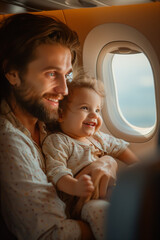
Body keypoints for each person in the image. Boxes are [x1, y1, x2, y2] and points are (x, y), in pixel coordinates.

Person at [0, 13, 118, 240]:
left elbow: (101, 145)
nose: (64, 89)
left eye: (68, 75)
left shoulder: (49, 118)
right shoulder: (8, 142)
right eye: (52, 74)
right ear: (13, 73)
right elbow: (50, 235)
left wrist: (106, 162)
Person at [42, 74, 139, 239]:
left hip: (110, 191)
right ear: (61, 114)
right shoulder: (58, 141)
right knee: (101, 212)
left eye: (98, 110)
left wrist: (136, 167)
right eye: (85, 108)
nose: (94, 115)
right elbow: (56, 172)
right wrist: (75, 186)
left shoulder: (98, 137)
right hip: (84, 201)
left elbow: (119, 148)